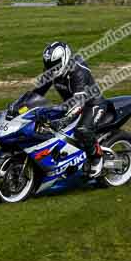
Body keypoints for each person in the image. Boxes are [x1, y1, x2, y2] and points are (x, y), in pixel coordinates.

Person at [31, 41, 105, 178]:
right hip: (71, 105)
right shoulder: (52, 70)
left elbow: (79, 103)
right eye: (48, 65)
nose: (50, 68)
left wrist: (61, 121)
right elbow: (37, 92)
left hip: (92, 104)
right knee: (43, 121)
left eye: (54, 65)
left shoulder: (78, 72)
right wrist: (19, 106)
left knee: (82, 130)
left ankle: (97, 158)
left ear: (64, 59)